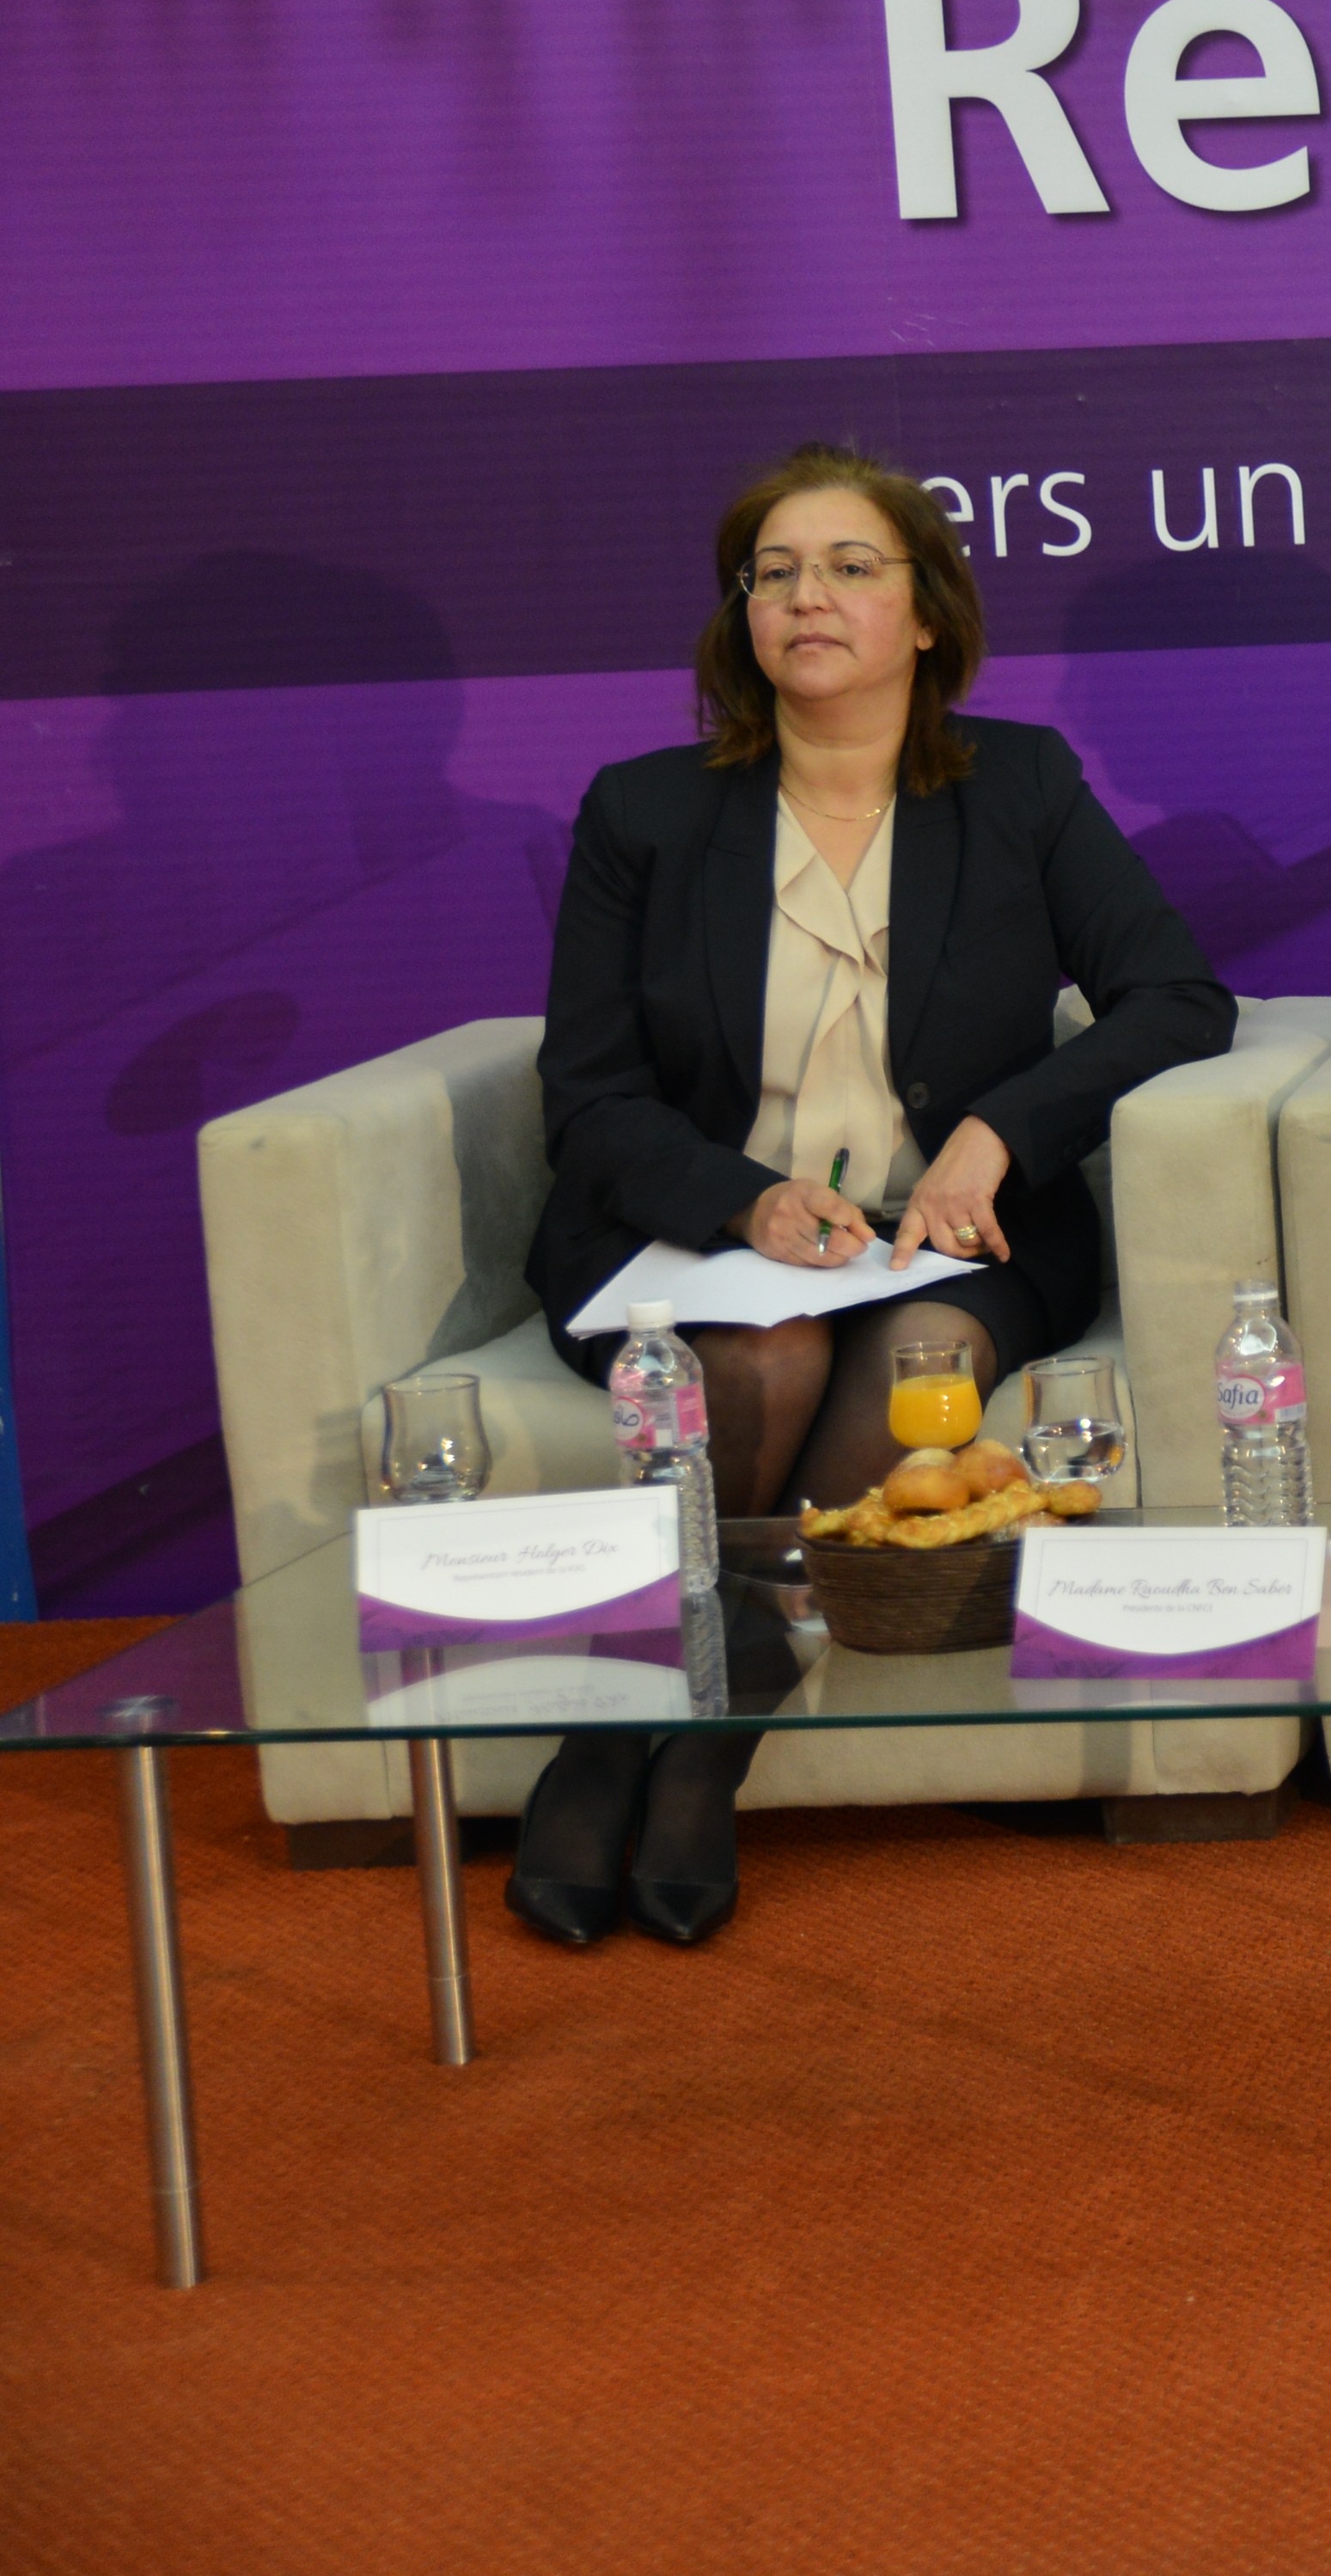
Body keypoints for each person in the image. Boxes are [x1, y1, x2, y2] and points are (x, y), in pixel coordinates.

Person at [519, 449, 1236, 1947]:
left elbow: (1175, 997)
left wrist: (998, 1134)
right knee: (762, 1357)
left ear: (924, 615)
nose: (808, 597)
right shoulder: (646, 812)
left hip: (949, 1244)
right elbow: (587, 1093)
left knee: (920, 1362)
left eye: (851, 568)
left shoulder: (1020, 785)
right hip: (697, 1247)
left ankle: (693, 1752)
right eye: (775, 572)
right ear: (742, 616)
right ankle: (626, 1724)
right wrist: (742, 1202)